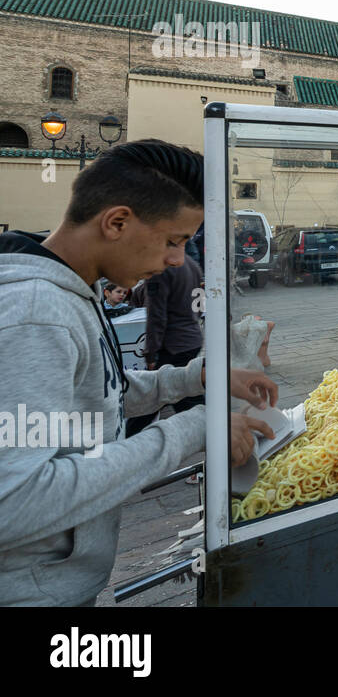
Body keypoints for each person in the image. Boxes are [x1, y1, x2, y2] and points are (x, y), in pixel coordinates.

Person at [0, 139, 278, 606]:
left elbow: (102, 394)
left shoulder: (73, 290)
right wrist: (193, 428)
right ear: (117, 222)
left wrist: (198, 378)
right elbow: (15, 501)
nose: (176, 260)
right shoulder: (36, 312)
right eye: (174, 241)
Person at [124, 252, 206, 436]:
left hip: (173, 344)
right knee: (183, 394)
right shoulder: (191, 264)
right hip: (191, 338)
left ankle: (214, 430)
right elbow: (199, 306)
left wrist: (151, 353)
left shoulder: (160, 269)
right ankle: (213, 427)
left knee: (156, 397)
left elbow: (156, 315)